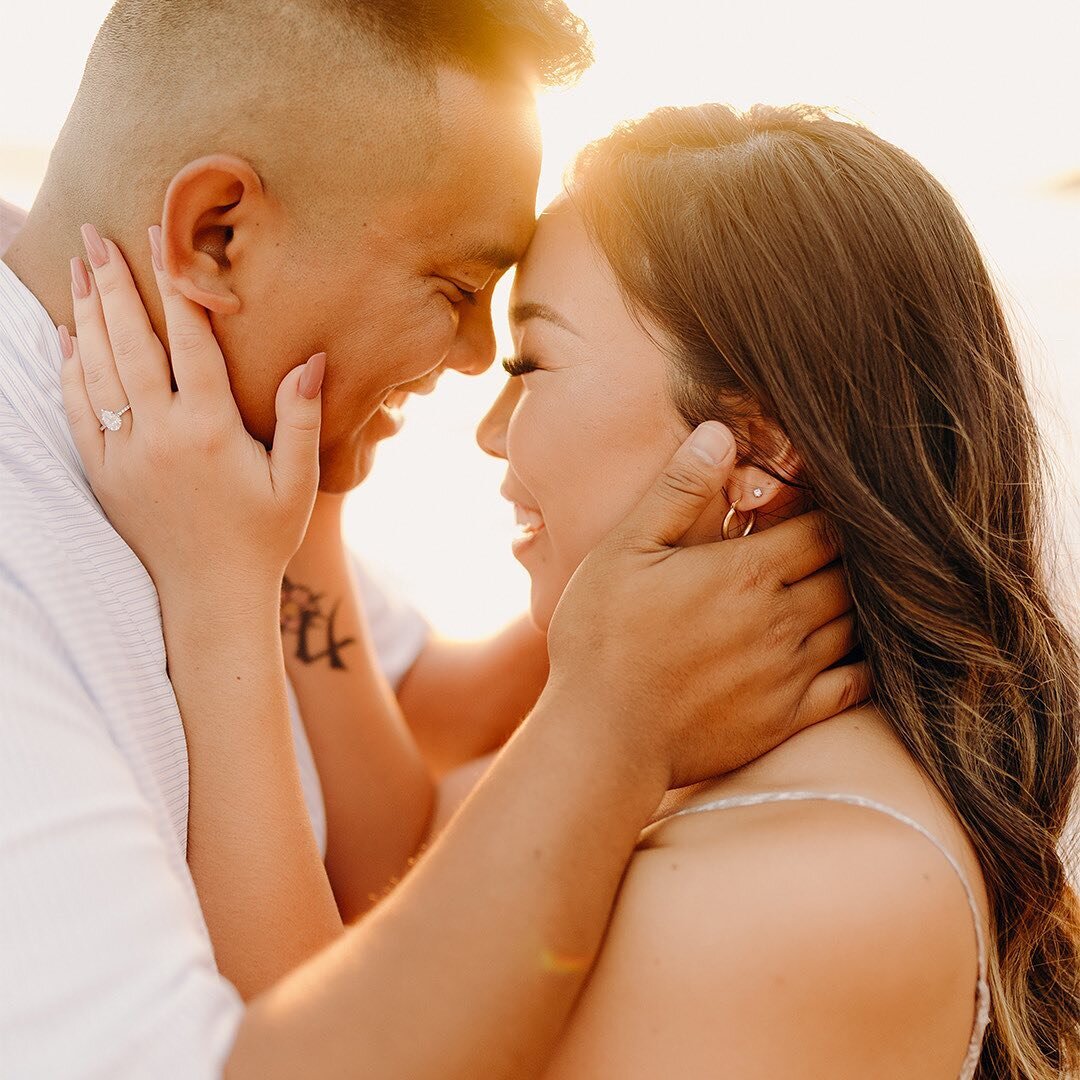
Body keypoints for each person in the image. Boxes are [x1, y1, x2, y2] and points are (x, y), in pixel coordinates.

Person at [67, 104, 1080, 1078]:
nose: (491, 428)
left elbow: (322, 1038)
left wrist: (218, 594)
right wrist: (314, 505)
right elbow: (407, 860)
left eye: (533, 360)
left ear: (757, 445)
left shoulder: (811, 890)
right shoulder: (715, 739)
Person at [0, 4, 863, 1077]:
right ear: (215, 235)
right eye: (455, 290)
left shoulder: (195, 439)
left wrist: (654, 579)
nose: (469, 363)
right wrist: (613, 721)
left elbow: (404, 724)